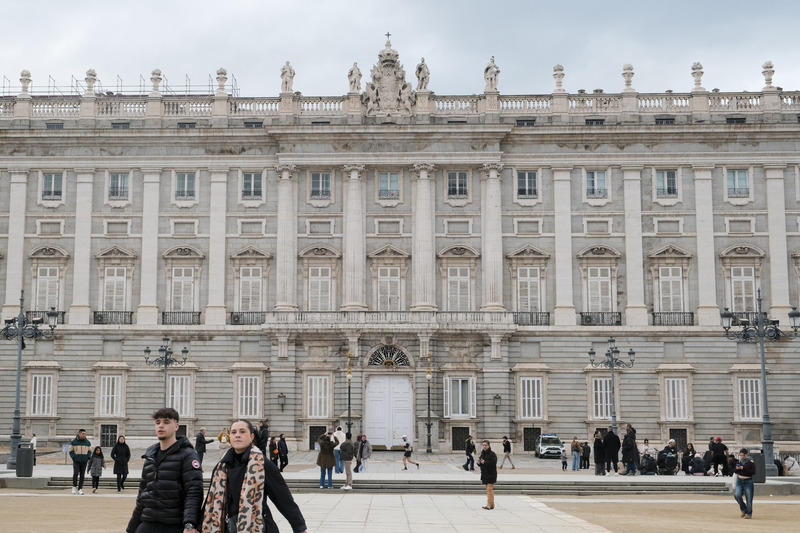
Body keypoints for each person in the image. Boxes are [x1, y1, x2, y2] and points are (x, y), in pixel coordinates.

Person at [201, 419, 307, 533]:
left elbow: (284, 499)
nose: (237, 435)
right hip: (227, 527)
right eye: (233, 432)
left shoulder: (263, 465)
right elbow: (210, 500)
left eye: (242, 432)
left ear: (251, 436)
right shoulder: (221, 467)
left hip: (258, 526)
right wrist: (197, 525)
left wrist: (299, 528)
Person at [127, 407, 203, 533]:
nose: (161, 426)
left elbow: (193, 492)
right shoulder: (150, 456)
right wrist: (131, 528)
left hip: (174, 523)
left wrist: (189, 524)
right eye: (158, 422)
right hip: (148, 522)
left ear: (176, 426)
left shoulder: (188, 455)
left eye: (166, 422)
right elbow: (142, 496)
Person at [734, 447, 756, 519]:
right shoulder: (739, 462)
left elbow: (753, 472)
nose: (742, 457)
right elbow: (734, 471)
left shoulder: (750, 462)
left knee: (749, 498)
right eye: (740, 455)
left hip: (748, 481)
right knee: (737, 495)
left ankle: (748, 513)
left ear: (746, 455)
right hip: (740, 481)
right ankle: (743, 509)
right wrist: (737, 469)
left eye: (743, 455)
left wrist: (743, 468)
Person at [69, 428, 91, 495]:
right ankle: (74, 486)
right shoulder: (74, 442)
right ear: (79, 434)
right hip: (76, 461)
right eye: (83, 434)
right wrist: (74, 457)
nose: (84, 435)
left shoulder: (87, 442)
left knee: (82, 475)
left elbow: (90, 451)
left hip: (84, 461)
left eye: (85, 434)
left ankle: (80, 488)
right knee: (75, 473)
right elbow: (71, 451)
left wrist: (88, 457)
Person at [477, 440, 497, 510]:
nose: (484, 447)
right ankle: (492, 504)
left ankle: (489, 504)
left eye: (485, 445)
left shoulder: (492, 454)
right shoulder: (483, 453)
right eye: (483, 445)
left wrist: (485, 462)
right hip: (485, 474)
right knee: (489, 490)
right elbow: (480, 463)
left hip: (491, 474)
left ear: (489, 445)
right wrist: (479, 463)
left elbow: (493, 463)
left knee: (489, 489)